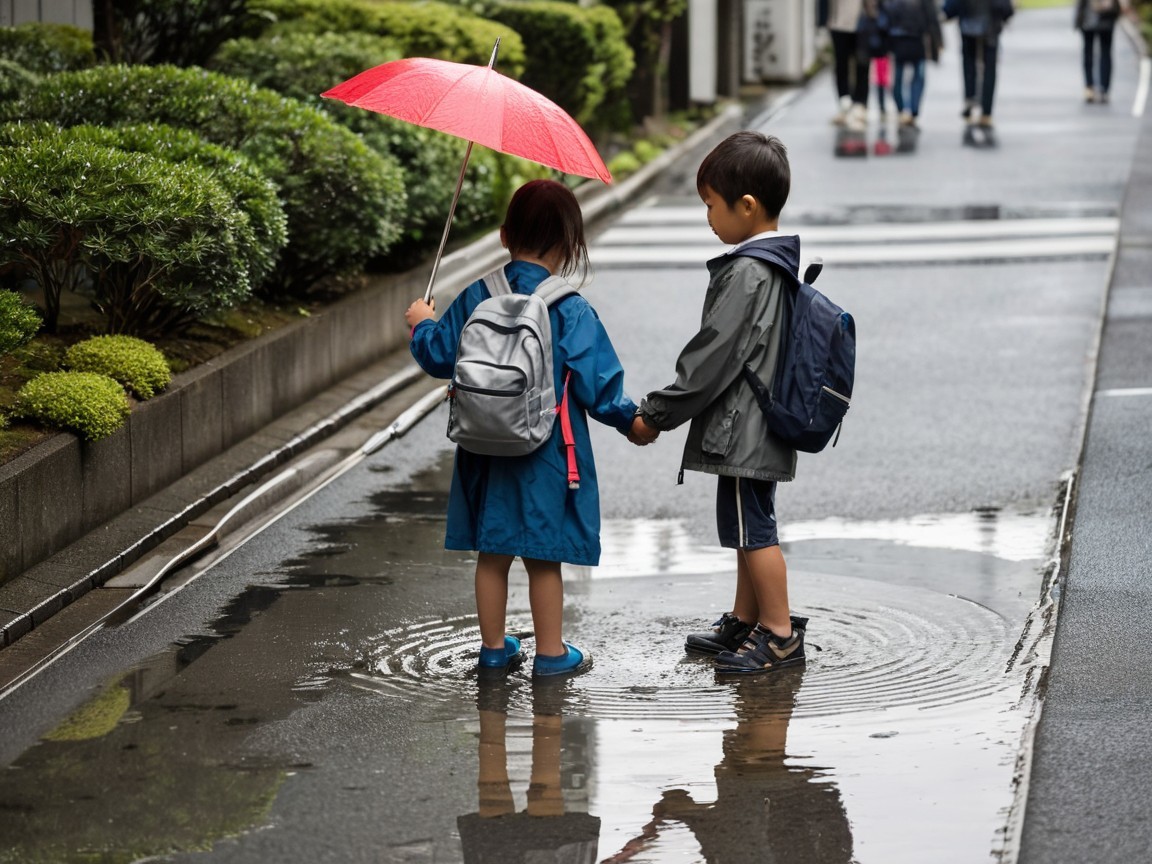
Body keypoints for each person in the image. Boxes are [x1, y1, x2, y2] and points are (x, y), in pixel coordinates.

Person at [405, 179, 643, 679]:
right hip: (546, 452)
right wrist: (634, 423)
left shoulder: (477, 294)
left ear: (503, 235)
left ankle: (494, 650)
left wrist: (422, 322)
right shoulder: (569, 308)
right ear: (569, 243)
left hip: (483, 444)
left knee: (492, 554)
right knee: (543, 557)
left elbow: (436, 355)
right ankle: (551, 654)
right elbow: (599, 387)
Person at [630, 131, 806, 674]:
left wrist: (655, 413)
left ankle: (778, 634)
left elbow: (711, 357)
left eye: (711, 205)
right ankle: (745, 618)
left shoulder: (748, 272)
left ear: (746, 207)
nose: (707, 217)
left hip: (744, 424)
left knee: (755, 533)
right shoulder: (772, 265)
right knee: (746, 526)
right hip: (758, 422)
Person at [944, 0, 1013, 137]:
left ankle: (970, 97)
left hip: (968, 24)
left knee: (969, 64)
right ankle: (986, 111)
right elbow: (1005, 7)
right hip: (990, 26)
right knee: (989, 69)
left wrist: (949, 13)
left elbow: (950, 7)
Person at [887, 0, 945, 128]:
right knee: (916, 76)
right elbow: (932, 17)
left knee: (900, 76)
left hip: (900, 38)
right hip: (916, 38)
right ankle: (911, 110)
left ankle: (904, 110)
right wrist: (938, 40)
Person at [821, 0, 870, 130]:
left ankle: (860, 104)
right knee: (841, 65)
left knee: (862, 65)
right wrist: (823, 20)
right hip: (838, 24)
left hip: (862, 24)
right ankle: (844, 102)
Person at [1075, 0, 1121, 103]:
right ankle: (1103, 89)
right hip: (1105, 16)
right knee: (1104, 52)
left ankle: (1089, 87)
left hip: (1089, 16)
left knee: (1089, 52)